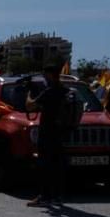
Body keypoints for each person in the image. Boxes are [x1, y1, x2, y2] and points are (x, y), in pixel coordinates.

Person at [26, 65, 74, 208]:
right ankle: (57, 196)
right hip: (61, 134)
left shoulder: (49, 92)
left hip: (48, 134)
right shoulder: (65, 91)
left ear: (51, 75)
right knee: (57, 167)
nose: (44, 78)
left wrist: (29, 93)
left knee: (44, 167)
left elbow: (30, 106)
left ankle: (45, 196)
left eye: (45, 75)